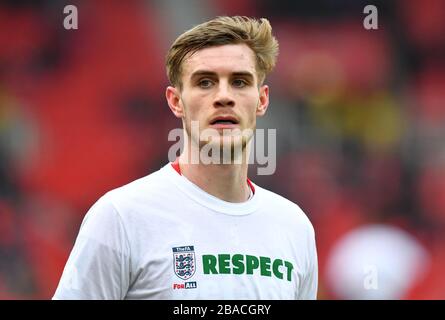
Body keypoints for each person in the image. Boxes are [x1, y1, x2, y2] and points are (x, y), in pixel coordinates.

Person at [53, 16, 318, 300]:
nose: (224, 97)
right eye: (205, 82)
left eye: (240, 81)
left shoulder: (294, 226)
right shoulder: (121, 216)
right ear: (175, 101)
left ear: (262, 100)